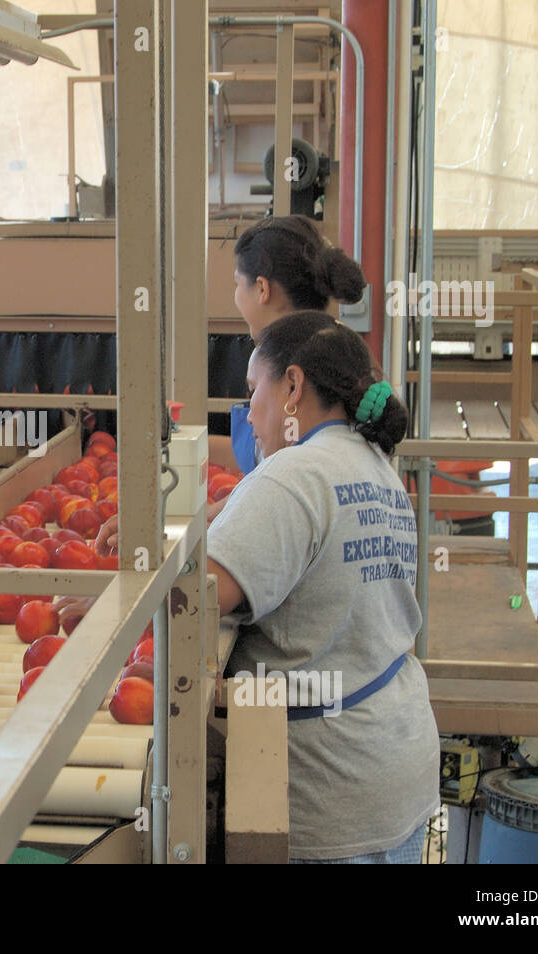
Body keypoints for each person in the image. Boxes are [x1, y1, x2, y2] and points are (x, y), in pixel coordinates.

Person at [201, 310, 439, 862]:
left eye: (252, 389)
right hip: (396, 766)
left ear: (292, 385)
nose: (249, 414)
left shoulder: (294, 474)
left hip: (329, 797)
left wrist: (116, 585)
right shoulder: (375, 466)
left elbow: (196, 598)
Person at [209, 215, 366, 477]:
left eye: (238, 283)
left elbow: (286, 477)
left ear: (262, 288)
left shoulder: (279, 362)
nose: (236, 296)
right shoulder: (343, 346)